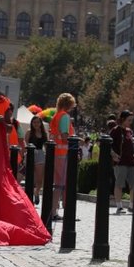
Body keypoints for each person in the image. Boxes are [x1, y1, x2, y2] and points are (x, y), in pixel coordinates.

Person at [50, 92, 76, 221]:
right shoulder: (65, 116)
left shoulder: (56, 116)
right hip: (63, 153)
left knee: (57, 184)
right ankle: (55, 211)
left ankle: (53, 210)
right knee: (61, 184)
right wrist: (77, 140)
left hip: (56, 153)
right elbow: (65, 136)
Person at [111, 109, 134, 214]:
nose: (130, 122)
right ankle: (119, 206)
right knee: (119, 184)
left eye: (131, 120)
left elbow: (130, 145)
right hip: (120, 162)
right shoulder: (115, 130)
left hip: (131, 161)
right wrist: (113, 155)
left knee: (133, 184)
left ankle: (131, 205)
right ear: (122, 119)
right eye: (129, 120)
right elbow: (109, 145)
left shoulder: (129, 131)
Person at [26, 113, 48, 204]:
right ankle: (29, 196)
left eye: (38, 122)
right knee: (30, 177)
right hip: (30, 153)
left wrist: (47, 155)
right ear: (31, 123)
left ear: (40, 123)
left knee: (39, 179)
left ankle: (36, 192)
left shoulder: (44, 133)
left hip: (40, 154)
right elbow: (25, 143)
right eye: (34, 122)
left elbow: (46, 145)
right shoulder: (29, 132)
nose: (36, 124)